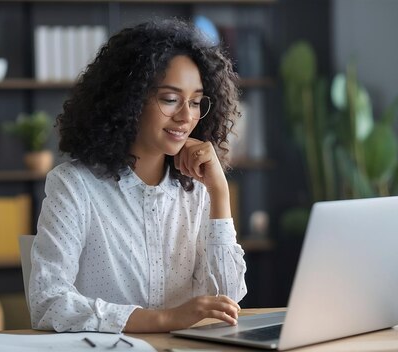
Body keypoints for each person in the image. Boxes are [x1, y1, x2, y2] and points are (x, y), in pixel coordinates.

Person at [28, 18, 247, 334]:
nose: (187, 116)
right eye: (170, 99)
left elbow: (229, 297)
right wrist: (164, 320)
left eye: (196, 102)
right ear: (129, 100)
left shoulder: (198, 189)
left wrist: (219, 193)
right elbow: (48, 303)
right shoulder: (73, 186)